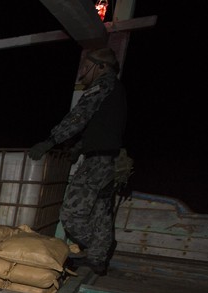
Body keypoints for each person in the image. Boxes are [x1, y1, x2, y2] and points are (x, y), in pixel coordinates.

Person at [28, 46, 127, 276]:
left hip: (98, 163)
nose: (83, 72)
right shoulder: (117, 89)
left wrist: (51, 140)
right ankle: (97, 259)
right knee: (101, 211)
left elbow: (79, 116)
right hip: (110, 159)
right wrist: (79, 147)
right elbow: (104, 126)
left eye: (87, 66)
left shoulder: (102, 85)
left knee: (71, 213)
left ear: (100, 66)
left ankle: (97, 247)